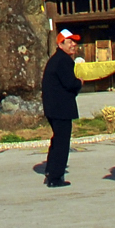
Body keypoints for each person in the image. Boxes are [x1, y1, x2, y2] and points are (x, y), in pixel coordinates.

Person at [40, 29, 83, 188]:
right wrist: (80, 83)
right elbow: (69, 83)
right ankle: (56, 177)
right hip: (60, 108)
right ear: (60, 44)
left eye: (74, 41)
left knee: (57, 139)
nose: (73, 45)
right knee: (62, 142)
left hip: (53, 108)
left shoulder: (56, 59)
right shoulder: (63, 60)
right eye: (69, 42)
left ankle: (51, 171)